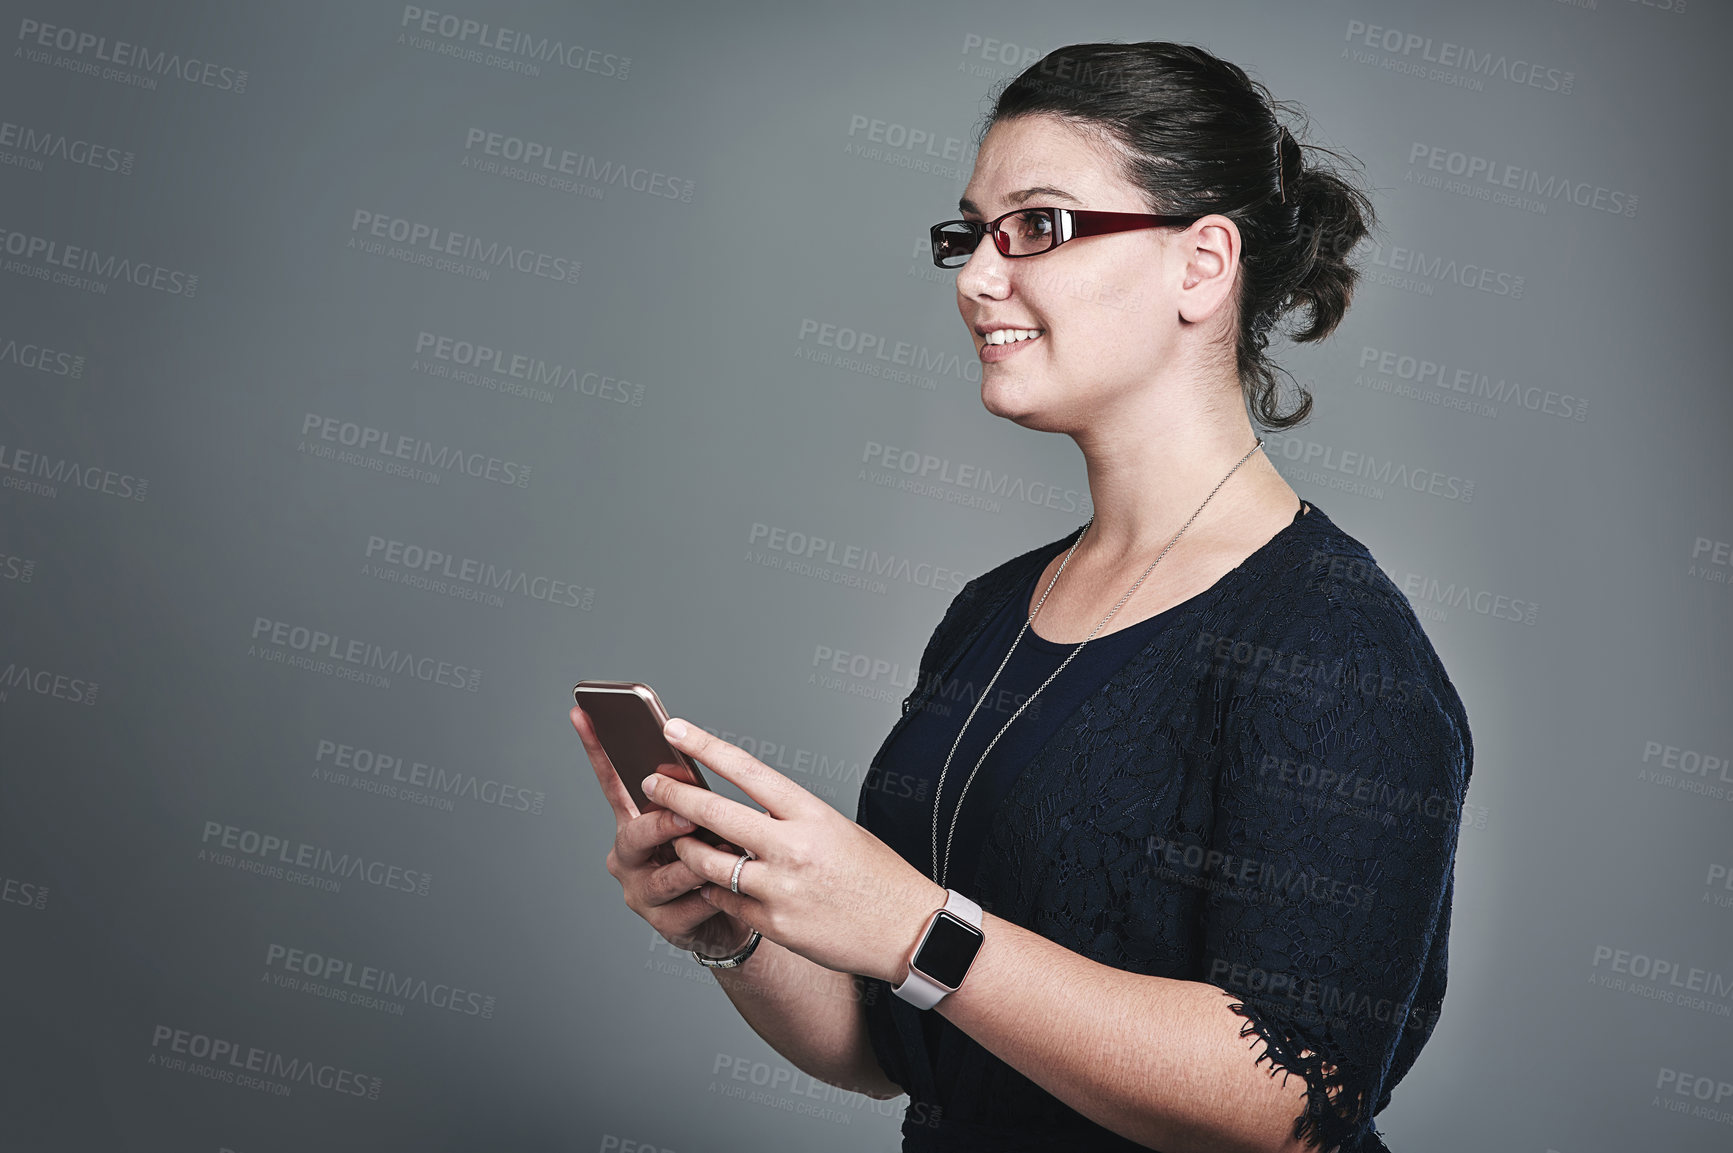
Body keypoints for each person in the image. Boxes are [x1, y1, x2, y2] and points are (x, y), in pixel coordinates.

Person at [572, 41, 1472, 1153]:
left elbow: (1295, 1097)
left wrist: (914, 925)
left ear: (1201, 265)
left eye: (1036, 227)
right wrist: (735, 928)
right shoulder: (991, 610)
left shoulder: (1333, 642)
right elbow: (897, 1045)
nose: (976, 277)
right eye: (968, 234)